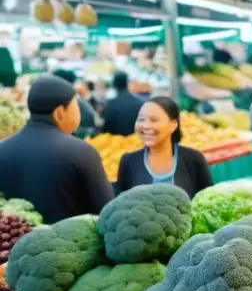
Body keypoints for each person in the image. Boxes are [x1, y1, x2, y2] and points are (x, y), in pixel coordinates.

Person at [0, 74, 112, 223]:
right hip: (70, 245)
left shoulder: (2, 149)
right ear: (59, 112)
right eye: (75, 105)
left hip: (11, 243)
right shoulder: (81, 152)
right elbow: (107, 211)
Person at [114, 96, 212, 197]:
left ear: (173, 125)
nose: (146, 126)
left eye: (154, 120)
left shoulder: (194, 159)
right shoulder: (128, 161)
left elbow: (208, 201)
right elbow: (119, 205)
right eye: (141, 119)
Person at [101, 71, 144, 136]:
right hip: (137, 142)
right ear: (127, 83)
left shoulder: (111, 104)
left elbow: (107, 130)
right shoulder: (140, 103)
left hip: (116, 143)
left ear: (114, 84)